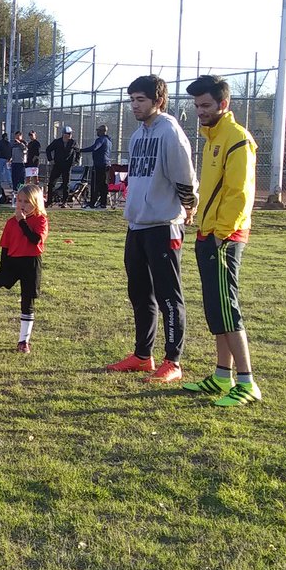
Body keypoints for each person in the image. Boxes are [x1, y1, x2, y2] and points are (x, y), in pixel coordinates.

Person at [106, 74, 197, 383]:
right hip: (137, 225)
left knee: (169, 295)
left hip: (164, 225)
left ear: (158, 100)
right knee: (139, 292)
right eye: (131, 100)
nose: (134, 105)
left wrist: (189, 205)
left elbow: (184, 177)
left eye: (140, 100)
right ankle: (143, 356)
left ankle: (173, 361)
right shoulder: (137, 136)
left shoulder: (170, 132)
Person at [181, 74, 261, 407]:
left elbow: (240, 193)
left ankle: (247, 382)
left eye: (206, 105)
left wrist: (221, 233)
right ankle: (221, 376)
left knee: (227, 309)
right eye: (197, 105)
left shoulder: (238, 139)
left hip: (224, 237)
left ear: (223, 104)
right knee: (215, 308)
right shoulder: (213, 138)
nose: (200, 111)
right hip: (208, 232)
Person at [0, 184, 49, 352]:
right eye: (19, 201)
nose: (21, 205)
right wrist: (4, 269)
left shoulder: (40, 219)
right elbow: (5, 246)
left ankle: (23, 341)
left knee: (27, 301)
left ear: (36, 203)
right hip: (12, 262)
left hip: (31, 263)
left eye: (27, 202)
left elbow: (35, 239)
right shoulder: (12, 222)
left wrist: (23, 222)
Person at [79, 124, 113, 208]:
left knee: (95, 184)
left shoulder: (101, 139)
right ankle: (103, 203)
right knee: (103, 184)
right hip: (106, 164)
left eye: (98, 130)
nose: (97, 132)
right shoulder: (109, 141)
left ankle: (93, 202)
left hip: (99, 165)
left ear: (102, 131)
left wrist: (80, 150)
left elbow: (95, 147)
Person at [44, 127, 79, 206]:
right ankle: (49, 201)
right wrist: (51, 159)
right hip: (57, 165)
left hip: (67, 165)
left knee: (66, 183)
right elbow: (48, 149)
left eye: (70, 134)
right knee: (51, 183)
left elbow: (78, 151)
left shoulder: (73, 142)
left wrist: (76, 161)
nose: (69, 135)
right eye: (68, 134)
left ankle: (64, 201)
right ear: (63, 134)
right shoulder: (57, 142)